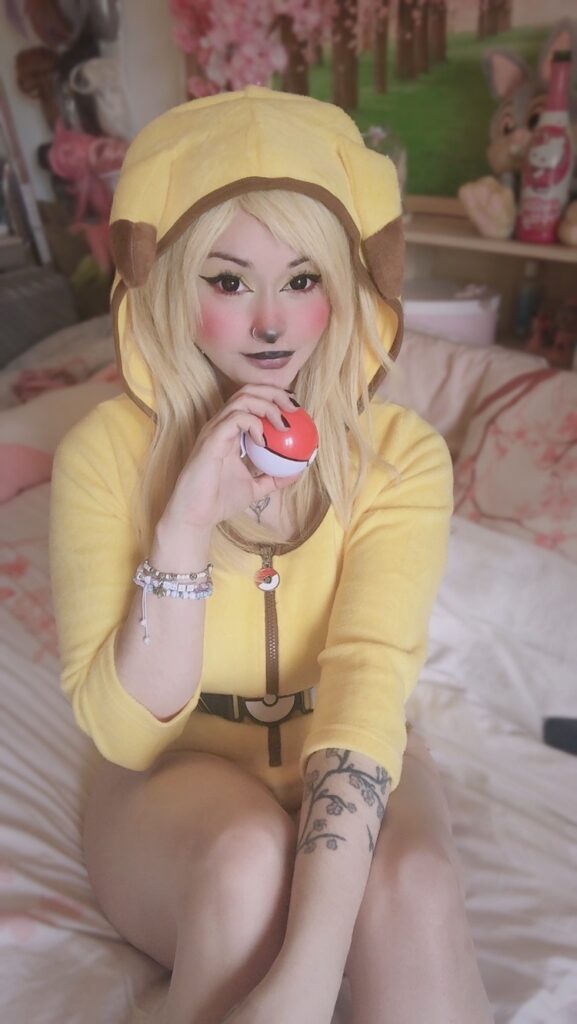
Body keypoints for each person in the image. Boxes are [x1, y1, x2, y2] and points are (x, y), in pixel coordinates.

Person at [49, 86, 494, 1024]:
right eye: (226, 281)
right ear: (172, 283)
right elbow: (129, 735)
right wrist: (183, 527)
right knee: (245, 863)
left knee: (410, 886)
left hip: (353, 749)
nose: (270, 322)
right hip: (172, 782)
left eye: (301, 280)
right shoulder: (103, 454)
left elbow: (367, 677)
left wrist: (306, 977)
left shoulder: (400, 456)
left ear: (344, 284)